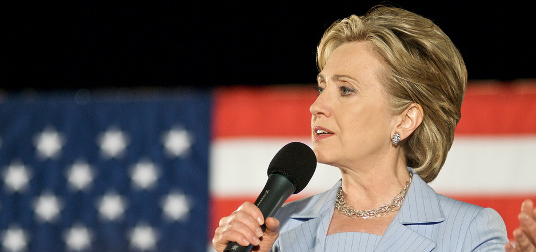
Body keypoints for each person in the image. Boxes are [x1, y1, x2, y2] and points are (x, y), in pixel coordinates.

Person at [213, 5, 532, 251]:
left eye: (346, 90)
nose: (316, 107)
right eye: (321, 88)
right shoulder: (278, 228)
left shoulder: (469, 230)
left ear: (405, 120)